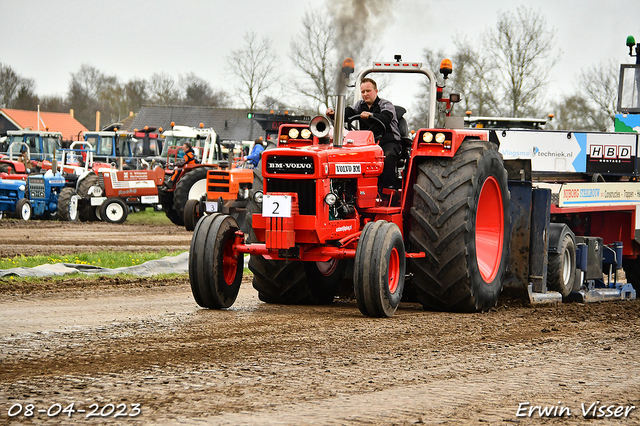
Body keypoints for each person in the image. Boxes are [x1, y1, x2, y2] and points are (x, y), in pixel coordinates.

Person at [326, 77, 401, 193]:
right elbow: (347, 113)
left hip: (388, 141)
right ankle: (351, 191)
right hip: (368, 144)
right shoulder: (359, 105)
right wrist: (334, 114)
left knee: (387, 156)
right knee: (352, 157)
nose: (365, 94)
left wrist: (371, 115)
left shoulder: (386, 105)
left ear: (376, 91)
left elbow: (385, 118)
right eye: (363, 92)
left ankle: (388, 188)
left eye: (368, 91)